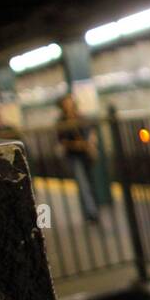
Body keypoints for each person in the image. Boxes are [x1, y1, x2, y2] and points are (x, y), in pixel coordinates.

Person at [55, 94, 100, 224]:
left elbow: (91, 131)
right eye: (66, 103)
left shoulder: (81, 117)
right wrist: (77, 145)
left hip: (86, 154)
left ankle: (91, 210)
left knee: (89, 182)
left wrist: (90, 144)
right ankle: (91, 213)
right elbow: (62, 141)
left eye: (70, 102)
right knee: (83, 183)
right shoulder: (61, 121)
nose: (68, 104)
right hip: (73, 156)